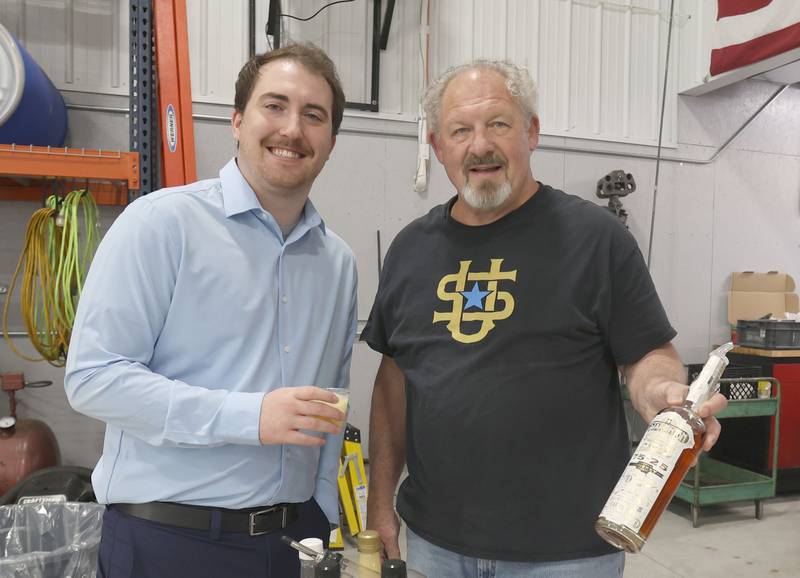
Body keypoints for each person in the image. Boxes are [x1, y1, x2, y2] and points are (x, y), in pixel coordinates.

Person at [361, 60, 728, 578]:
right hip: (435, 543)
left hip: (567, 552)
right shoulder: (409, 250)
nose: (480, 145)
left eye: (498, 124)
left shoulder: (597, 239)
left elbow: (647, 354)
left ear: (532, 132)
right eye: (460, 131)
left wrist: (661, 394)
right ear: (438, 147)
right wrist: (380, 503)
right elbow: (393, 383)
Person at [65, 43, 357, 578]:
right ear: (237, 121)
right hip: (169, 541)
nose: (292, 128)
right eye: (275, 106)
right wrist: (251, 417)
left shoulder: (337, 263)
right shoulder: (162, 225)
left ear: (331, 142)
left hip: (291, 542)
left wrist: (321, 512)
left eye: (314, 115)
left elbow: (328, 405)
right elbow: (93, 379)